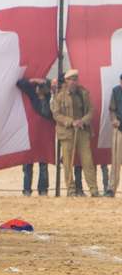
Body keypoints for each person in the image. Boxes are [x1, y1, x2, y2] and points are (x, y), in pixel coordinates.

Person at [51, 68, 100, 197]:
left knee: (88, 161)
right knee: (68, 163)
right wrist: (71, 122)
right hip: (67, 133)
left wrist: (82, 121)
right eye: (71, 80)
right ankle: (71, 190)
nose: (74, 82)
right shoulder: (59, 96)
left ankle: (94, 189)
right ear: (66, 81)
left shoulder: (83, 93)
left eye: (75, 79)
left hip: (82, 131)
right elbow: (56, 114)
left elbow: (91, 110)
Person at [17, 77, 53, 196]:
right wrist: (33, 81)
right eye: (38, 87)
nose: (40, 89)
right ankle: (27, 189)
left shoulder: (49, 98)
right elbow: (20, 83)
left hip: (44, 134)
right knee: (28, 163)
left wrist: (44, 83)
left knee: (43, 163)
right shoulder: (32, 95)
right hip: (31, 134)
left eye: (42, 87)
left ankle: (43, 189)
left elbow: (52, 85)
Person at [108, 73, 122, 198]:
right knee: (116, 161)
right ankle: (111, 189)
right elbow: (112, 109)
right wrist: (113, 120)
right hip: (119, 129)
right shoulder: (116, 91)